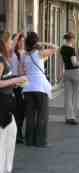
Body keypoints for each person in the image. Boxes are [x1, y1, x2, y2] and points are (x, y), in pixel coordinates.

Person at [22, 32, 56, 147]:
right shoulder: (40, 53)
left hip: (27, 88)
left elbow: (22, 71)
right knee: (42, 115)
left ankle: (29, 140)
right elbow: (55, 48)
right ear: (36, 42)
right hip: (40, 88)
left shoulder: (24, 55)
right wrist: (42, 43)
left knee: (30, 116)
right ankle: (40, 141)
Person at [0, 31, 27, 173]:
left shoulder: (4, 58)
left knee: (11, 134)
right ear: (4, 43)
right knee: (4, 138)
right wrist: (16, 80)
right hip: (3, 104)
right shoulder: (0, 60)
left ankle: (6, 168)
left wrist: (14, 81)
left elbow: (5, 79)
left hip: (7, 102)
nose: (12, 43)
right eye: (10, 41)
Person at [59, 32, 79, 125]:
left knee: (67, 96)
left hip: (67, 72)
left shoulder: (62, 49)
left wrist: (60, 72)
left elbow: (61, 62)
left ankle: (68, 116)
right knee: (75, 95)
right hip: (75, 73)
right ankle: (73, 116)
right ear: (72, 39)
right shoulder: (71, 50)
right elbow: (75, 63)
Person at [10, 33, 26, 143]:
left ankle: (19, 130)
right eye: (20, 41)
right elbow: (12, 45)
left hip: (22, 82)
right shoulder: (11, 53)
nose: (21, 43)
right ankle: (17, 133)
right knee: (15, 108)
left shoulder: (25, 53)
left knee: (22, 109)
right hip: (12, 81)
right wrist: (18, 35)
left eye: (23, 40)